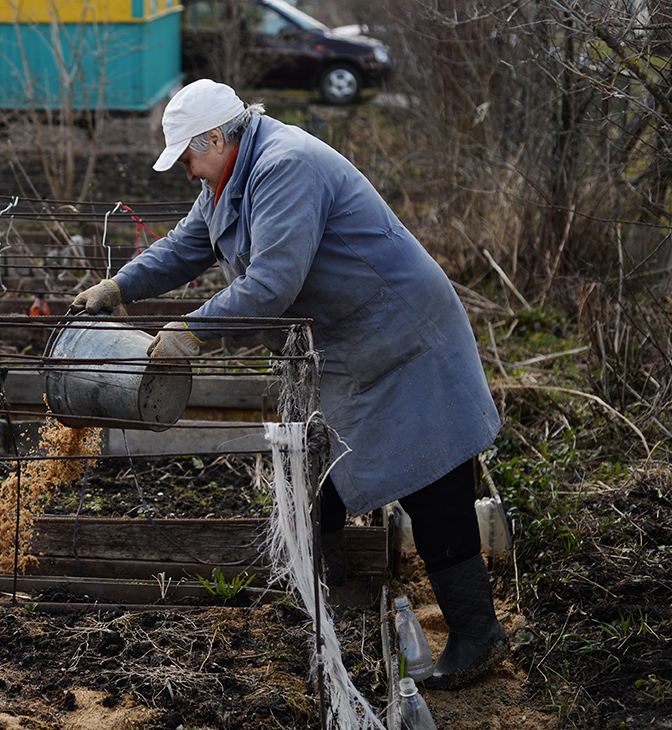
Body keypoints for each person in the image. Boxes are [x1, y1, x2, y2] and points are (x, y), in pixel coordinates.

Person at [70, 79, 507, 690]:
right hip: (349, 344)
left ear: (217, 138)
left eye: (189, 157)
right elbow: (185, 246)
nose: (187, 172)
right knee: (318, 473)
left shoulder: (285, 166)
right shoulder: (227, 180)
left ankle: (477, 635)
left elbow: (273, 282)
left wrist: (192, 331)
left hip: (400, 335)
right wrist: (120, 287)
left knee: (432, 482)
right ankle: (331, 606)